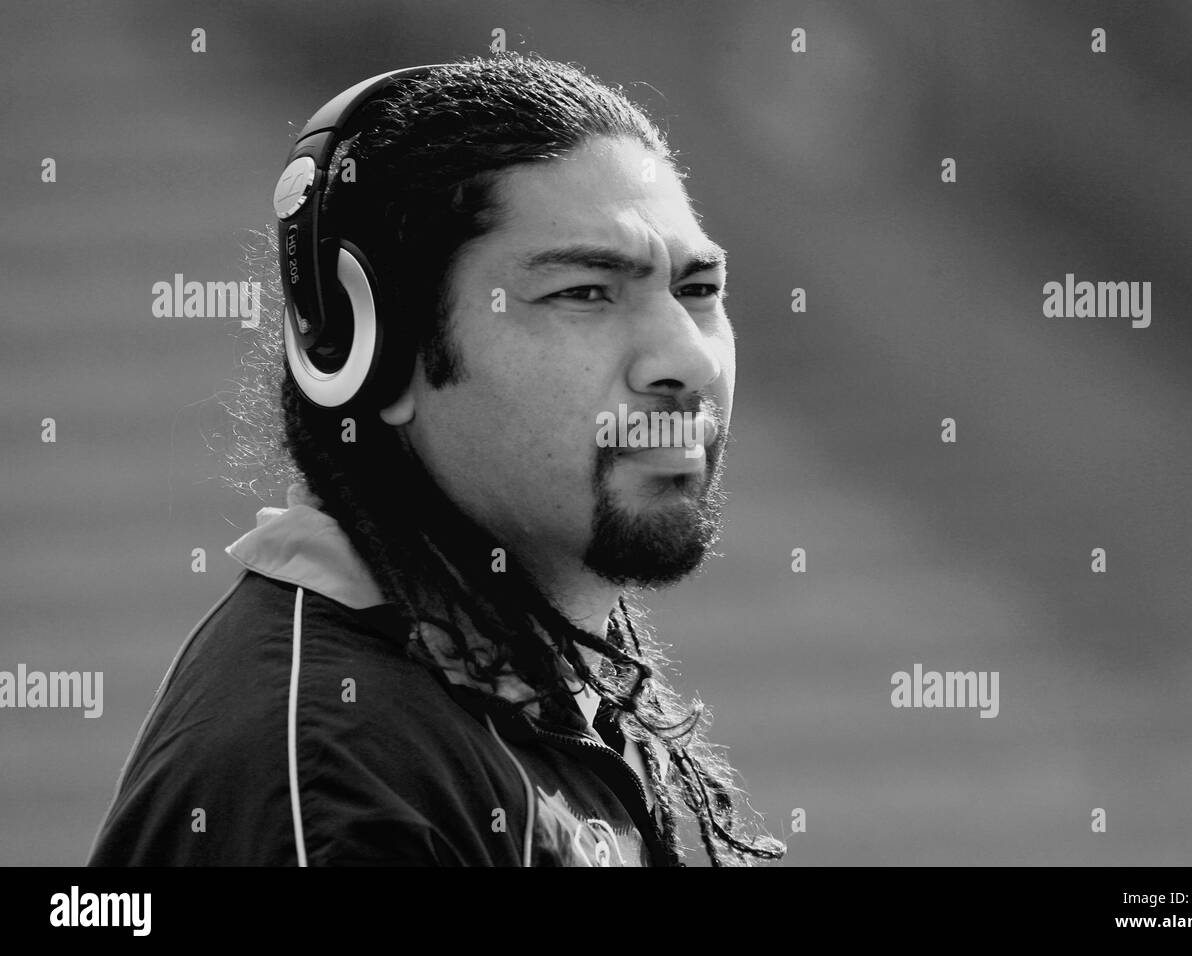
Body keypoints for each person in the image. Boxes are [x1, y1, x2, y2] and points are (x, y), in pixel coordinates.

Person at [87, 52, 784, 867]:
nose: (688, 362)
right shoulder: (336, 782)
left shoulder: (542, 684)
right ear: (369, 349)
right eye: (585, 293)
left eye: (698, 290)